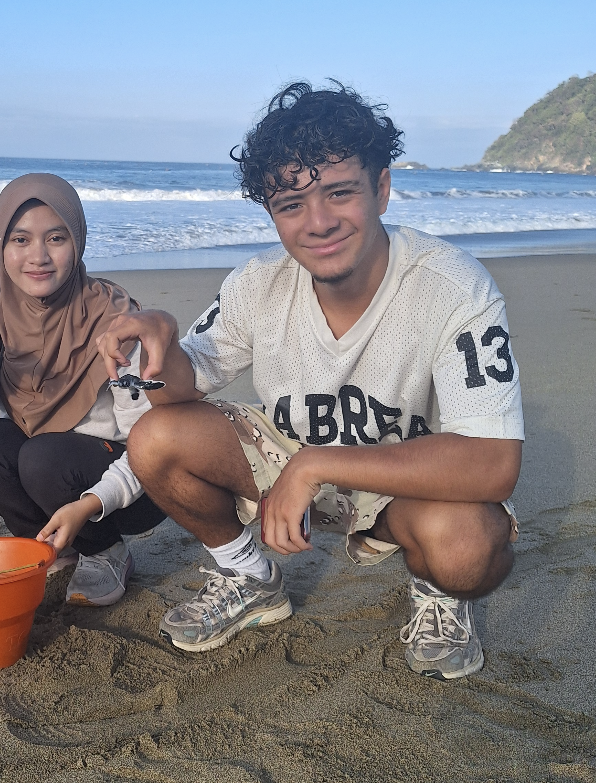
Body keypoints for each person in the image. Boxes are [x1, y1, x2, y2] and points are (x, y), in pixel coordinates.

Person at [97, 82, 524, 680]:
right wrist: (160, 346)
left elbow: (494, 463)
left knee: (467, 551)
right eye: (291, 204)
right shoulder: (257, 282)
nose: (318, 223)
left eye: (339, 192)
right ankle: (247, 575)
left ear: (381, 189)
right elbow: (182, 390)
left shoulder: (452, 286)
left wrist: (314, 466)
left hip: (405, 480)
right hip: (288, 456)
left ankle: (437, 595)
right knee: (155, 436)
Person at [0, 173, 166, 606]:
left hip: (129, 480)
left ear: (78, 241)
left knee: (42, 457)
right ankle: (50, 544)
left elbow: (147, 441)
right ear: (2, 245)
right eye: (20, 240)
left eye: (56, 238)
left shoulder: (114, 315)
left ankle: (104, 550)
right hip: (45, 463)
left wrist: (97, 497)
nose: (38, 257)